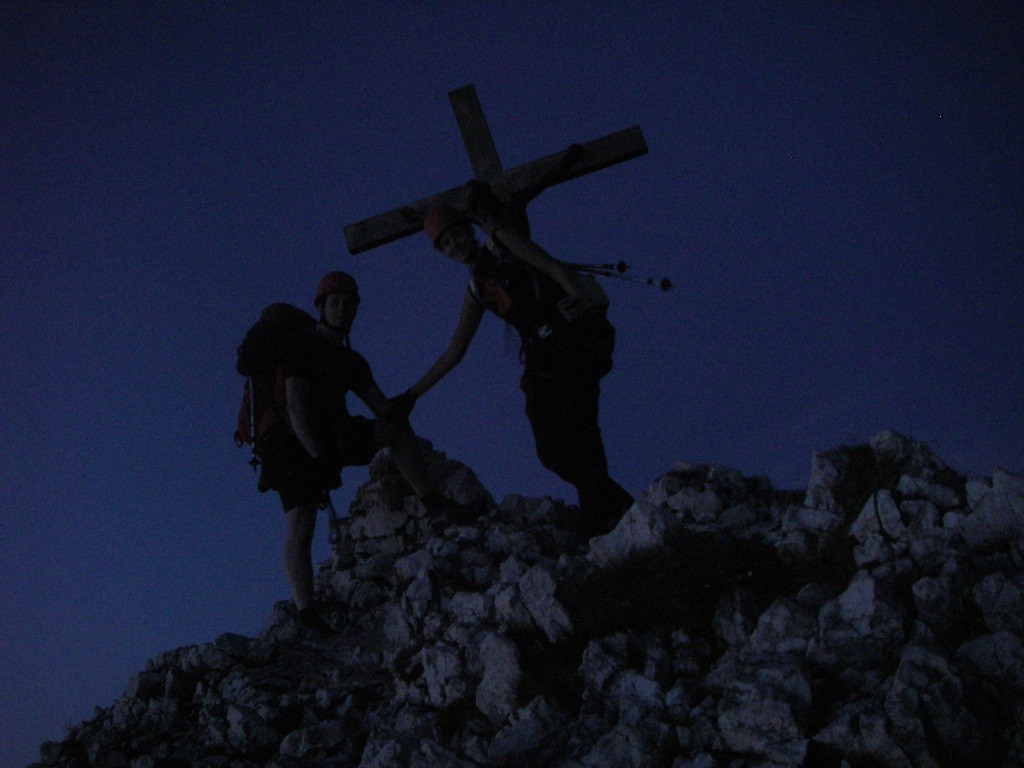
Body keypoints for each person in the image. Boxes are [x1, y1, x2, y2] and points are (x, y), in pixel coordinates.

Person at [389, 200, 634, 540]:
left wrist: (583, 303)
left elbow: (551, 266)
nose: (454, 246)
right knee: (551, 452)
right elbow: (454, 352)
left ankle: (598, 517)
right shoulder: (476, 290)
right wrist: (412, 394)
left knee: (581, 435)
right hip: (541, 364)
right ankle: (618, 503)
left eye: (456, 236)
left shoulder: (505, 243)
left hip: (571, 346)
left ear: (468, 231)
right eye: (444, 244)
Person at [261, 270, 438, 634]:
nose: (341, 310)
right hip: (288, 442)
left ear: (355, 311)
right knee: (301, 523)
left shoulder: (353, 362)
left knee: (395, 431)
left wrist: (400, 405)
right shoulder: (300, 347)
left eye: (348, 304)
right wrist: (318, 456)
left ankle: (434, 502)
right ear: (322, 307)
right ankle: (307, 614)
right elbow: (295, 408)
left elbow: (379, 406)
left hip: (329, 438)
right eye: (335, 303)